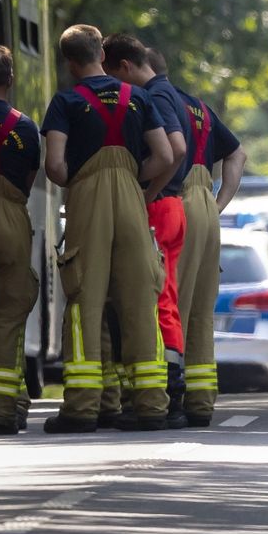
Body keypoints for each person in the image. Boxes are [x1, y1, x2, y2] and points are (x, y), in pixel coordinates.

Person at [40, 24, 174, 433]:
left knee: (85, 299)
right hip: (133, 199)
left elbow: (55, 166)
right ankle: (151, 404)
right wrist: (134, 177)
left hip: (88, 199)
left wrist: (82, 182)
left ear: (69, 62)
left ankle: (82, 408)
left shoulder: (64, 102)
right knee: (139, 299)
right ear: (101, 51)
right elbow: (166, 155)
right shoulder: (139, 98)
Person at [101, 34, 190, 427]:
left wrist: (144, 188)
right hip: (174, 206)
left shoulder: (154, 97)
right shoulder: (176, 94)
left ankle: (164, 396)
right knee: (164, 297)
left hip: (160, 205)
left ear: (124, 66)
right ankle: (172, 393)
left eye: (113, 74)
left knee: (151, 301)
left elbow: (175, 150)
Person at [157, 49, 244, 428]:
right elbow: (237, 154)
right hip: (206, 202)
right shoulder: (200, 108)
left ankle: (167, 396)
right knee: (202, 311)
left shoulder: (158, 100)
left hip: (179, 198)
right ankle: (201, 400)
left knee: (172, 301)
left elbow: (168, 153)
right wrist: (218, 202)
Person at [0, 45, 41, 435]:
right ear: (10, 79)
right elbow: (30, 179)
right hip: (13, 219)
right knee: (5, 317)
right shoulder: (25, 126)